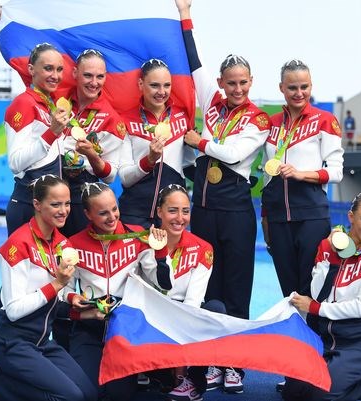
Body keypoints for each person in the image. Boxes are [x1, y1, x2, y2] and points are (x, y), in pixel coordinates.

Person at [175, 0, 271, 393]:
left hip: (235, 209)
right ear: (221, 83)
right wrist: (185, 16)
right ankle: (212, 360)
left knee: (236, 287)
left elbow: (232, 154)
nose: (236, 88)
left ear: (251, 82)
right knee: (207, 286)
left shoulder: (258, 118)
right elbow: (192, 64)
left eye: (243, 82)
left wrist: (200, 141)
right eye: (230, 82)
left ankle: (235, 365)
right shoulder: (211, 103)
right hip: (204, 210)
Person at [0, 175, 97, 401]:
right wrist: (57, 284)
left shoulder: (62, 245)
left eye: (67, 203)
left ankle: (9, 379)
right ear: (37, 205)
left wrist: (77, 308)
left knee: (89, 395)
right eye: (55, 204)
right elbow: (13, 310)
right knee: (70, 398)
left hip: (41, 342)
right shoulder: (17, 245)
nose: (64, 210)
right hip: (11, 343)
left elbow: (50, 304)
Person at [65, 182, 173, 401]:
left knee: (118, 395)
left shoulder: (137, 238)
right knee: (86, 393)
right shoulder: (73, 245)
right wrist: (71, 297)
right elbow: (63, 289)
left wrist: (160, 252)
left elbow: (164, 285)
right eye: (103, 213)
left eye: (114, 209)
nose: (112, 217)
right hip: (88, 328)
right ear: (87, 214)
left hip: (124, 331)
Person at [284, 191, 361, 401]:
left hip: (359, 342)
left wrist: (316, 308)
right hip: (325, 339)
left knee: (320, 395)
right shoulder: (327, 246)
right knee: (292, 391)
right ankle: (338, 374)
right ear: (351, 217)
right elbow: (317, 293)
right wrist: (332, 255)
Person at [261, 59, 344, 301]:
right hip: (278, 220)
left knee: (313, 289)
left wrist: (301, 174)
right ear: (281, 88)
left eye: (304, 87)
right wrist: (266, 219)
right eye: (292, 88)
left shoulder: (324, 120)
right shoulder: (272, 123)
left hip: (311, 217)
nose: (299, 93)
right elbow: (268, 176)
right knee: (288, 291)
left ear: (311, 86)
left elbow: (336, 172)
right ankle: (295, 338)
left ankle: (317, 338)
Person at [149, 184, 225, 401]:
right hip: (153, 318)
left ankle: (191, 378)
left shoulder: (203, 248)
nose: (179, 218)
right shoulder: (143, 244)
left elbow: (194, 301)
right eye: (173, 210)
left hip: (185, 317)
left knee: (215, 309)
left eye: (185, 211)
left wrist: (181, 353)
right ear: (159, 212)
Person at [117, 59, 196, 228]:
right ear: (140, 84)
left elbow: (189, 166)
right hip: (134, 214)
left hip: (171, 216)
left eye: (167, 85)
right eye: (154, 85)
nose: (161, 92)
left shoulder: (182, 117)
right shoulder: (125, 120)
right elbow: (125, 179)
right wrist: (149, 160)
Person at [58, 48, 126, 237]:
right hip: (49, 189)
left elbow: (110, 176)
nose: (94, 82)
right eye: (87, 75)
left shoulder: (112, 120)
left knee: (74, 258)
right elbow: (32, 73)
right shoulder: (57, 99)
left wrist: (92, 155)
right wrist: (5, 21)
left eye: (100, 77)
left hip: (81, 196)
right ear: (75, 74)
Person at [4, 43, 70, 236]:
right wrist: (52, 132)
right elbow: (15, 163)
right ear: (31, 69)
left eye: (59, 69)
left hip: (47, 210)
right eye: (48, 68)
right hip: (28, 207)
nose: (55, 76)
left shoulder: (50, 104)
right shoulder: (24, 103)